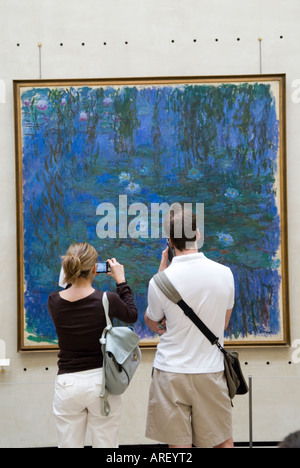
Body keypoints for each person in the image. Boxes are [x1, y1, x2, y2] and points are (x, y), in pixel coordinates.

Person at [144, 208, 235, 448]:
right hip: (210, 370)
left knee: (179, 446)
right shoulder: (224, 274)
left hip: (170, 370)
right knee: (221, 441)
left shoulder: (159, 281)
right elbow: (223, 325)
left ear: (170, 242)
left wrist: (161, 273)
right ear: (197, 233)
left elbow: (152, 322)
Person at [48, 242, 138, 448]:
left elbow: (65, 287)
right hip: (101, 383)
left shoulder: (54, 301)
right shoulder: (107, 299)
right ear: (95, 269)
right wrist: (121, 281)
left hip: (67, 384)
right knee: (106, 446)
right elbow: (131, 315)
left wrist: (69, 272)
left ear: (68, 267)